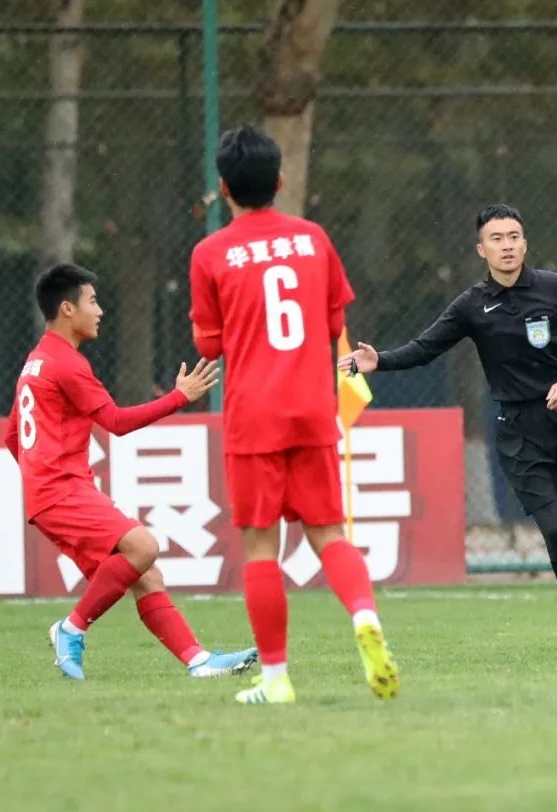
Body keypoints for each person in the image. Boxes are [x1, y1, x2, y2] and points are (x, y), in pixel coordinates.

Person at [338, 203, 557, 653]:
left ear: (525, 242)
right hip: (518, 431)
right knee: (554, 531)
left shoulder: (555, 288)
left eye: (514, 236)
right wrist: (380, 361)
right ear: (482, 249)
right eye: (497, 238)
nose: (507, 245)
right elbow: (426, 347)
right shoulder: (472, 305)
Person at [189, 125, 398, 704]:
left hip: (252, 416)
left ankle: (277, 678)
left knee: (261, 548)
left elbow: (208, 345)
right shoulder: (312, 240)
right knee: (330, 534)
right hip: (311, 410)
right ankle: (363, 616)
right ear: (280, 181)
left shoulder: (210, 253)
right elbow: (334, 327)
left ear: (225, 188)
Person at [5, 263, 258, 681]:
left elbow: (13, 437)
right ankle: (70, 629)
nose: (99, 310)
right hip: (61, 490)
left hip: (50, 492)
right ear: (68, 309)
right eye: (92, 301)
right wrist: (179, 397)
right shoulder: (66, 364)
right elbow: (117, 423)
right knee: (143, 547)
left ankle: (197, 662)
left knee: (146, 574)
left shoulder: (35, 363)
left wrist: (39, 479)